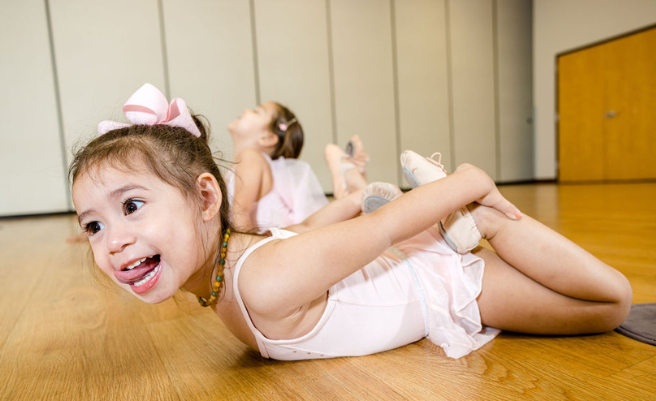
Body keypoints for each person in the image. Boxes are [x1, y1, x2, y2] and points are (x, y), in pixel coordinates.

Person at [70, 85, 633, 360]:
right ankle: (450, 222)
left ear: (206, 197)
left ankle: (480, 215)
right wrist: (350, 200)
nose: (113, 241)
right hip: (409, 270)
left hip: (447, 288)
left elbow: (379, 232)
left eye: (132, 206)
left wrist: (468, 186)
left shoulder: (260, 279)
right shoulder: (236, 260)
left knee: (613, 302)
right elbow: (310, 232)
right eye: (92, 225)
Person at [226, 100, 329, 232]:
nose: (246, 109)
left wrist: (243, 251)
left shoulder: (250, 157)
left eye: (257, 111)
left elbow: (240, 212)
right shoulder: (240, 164)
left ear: (267, 138)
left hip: (265, 244)